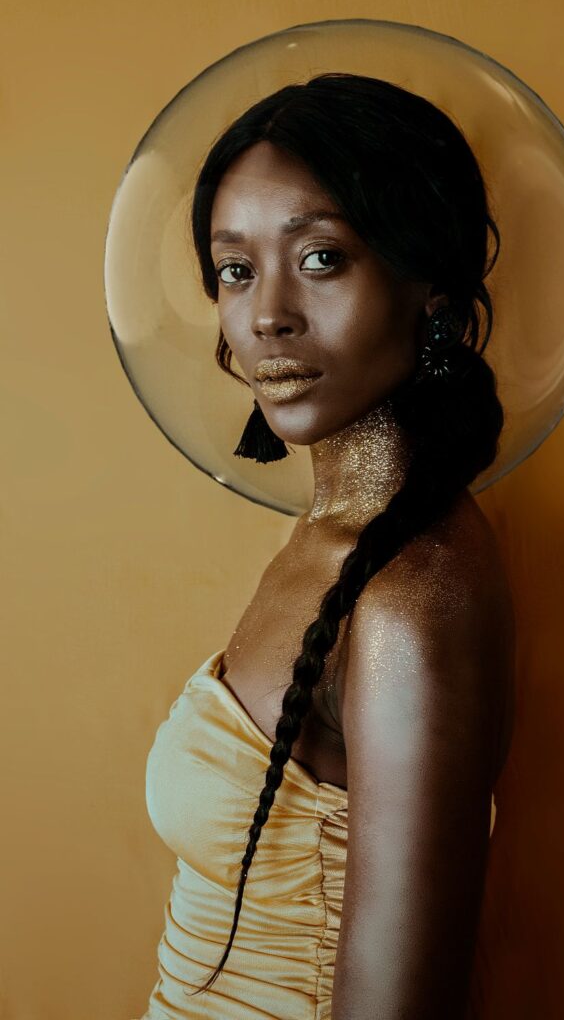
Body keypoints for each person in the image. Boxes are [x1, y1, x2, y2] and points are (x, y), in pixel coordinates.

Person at [136, 72, 516, 1020]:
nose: (267, 314)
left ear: (426, 284)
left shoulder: (407, 596)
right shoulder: (327, 536)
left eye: (319, 259)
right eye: (235, 269)